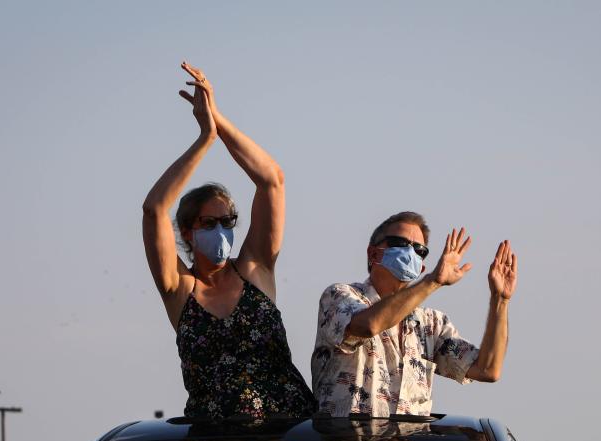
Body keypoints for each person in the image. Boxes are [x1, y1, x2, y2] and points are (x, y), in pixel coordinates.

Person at [142, 61, 315, 420]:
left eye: (228, 222)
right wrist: (204, 140)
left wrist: (218, 121)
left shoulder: (255, 268)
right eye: (210, 222)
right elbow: (155, 209)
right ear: (188, 231)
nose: (221, 231)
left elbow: (272, 180)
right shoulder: (180, 288)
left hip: (286, 436)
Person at [312, 212, 517, 416]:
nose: (410, 252)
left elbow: (487, 369)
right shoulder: (339, 296)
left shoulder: (432, 324)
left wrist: (500, 300)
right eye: (398, 242)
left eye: (419, 250)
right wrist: (433, 281)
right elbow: (369, 325)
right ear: (373, 254)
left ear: (421, 267)